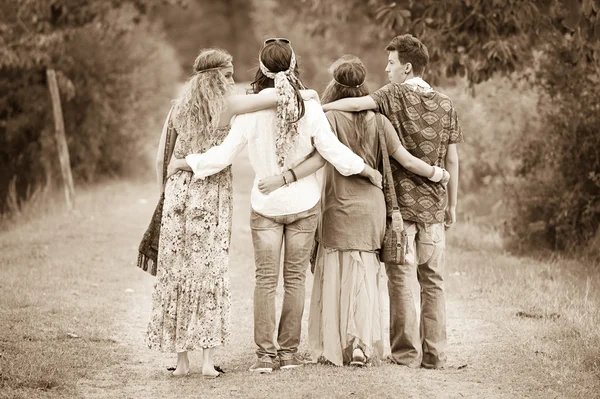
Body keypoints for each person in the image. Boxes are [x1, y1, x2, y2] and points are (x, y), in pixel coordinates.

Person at [167, 39, 382, 374]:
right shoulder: (308, 107)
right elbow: (332, 151)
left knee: (266, 281)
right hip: (304, 202)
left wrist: (186, 163)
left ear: (262, 68)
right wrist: (365, 169)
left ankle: (265, 357)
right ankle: (289, 354)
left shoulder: (251, 112)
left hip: (266, 205)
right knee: (295, 280)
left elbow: (222, 156)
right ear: (294, 64)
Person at [146, 47, 318, 378]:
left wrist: (163, 194)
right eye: (227, 75)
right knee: (208, 272)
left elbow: (160, 159)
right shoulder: (227, 105)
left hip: (178, 194)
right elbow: (271, 99)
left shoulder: (177, 109)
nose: (233, 81)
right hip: (209, 194)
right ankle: (207, 362)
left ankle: (182, 362)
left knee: (177, 275)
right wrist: (305, 92)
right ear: (214, 77)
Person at [322, 35, 464, 369]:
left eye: (391, 63)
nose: (386, 70)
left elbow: (357, 105)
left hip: (399, 209)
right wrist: (452, 203)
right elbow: (453, 160)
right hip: (434, 206)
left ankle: (406, 354)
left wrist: (322, 107)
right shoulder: (446, 104)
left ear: (407, 67)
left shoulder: (392, 95)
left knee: (400, 281)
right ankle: (436, 355)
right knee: (433, 282)